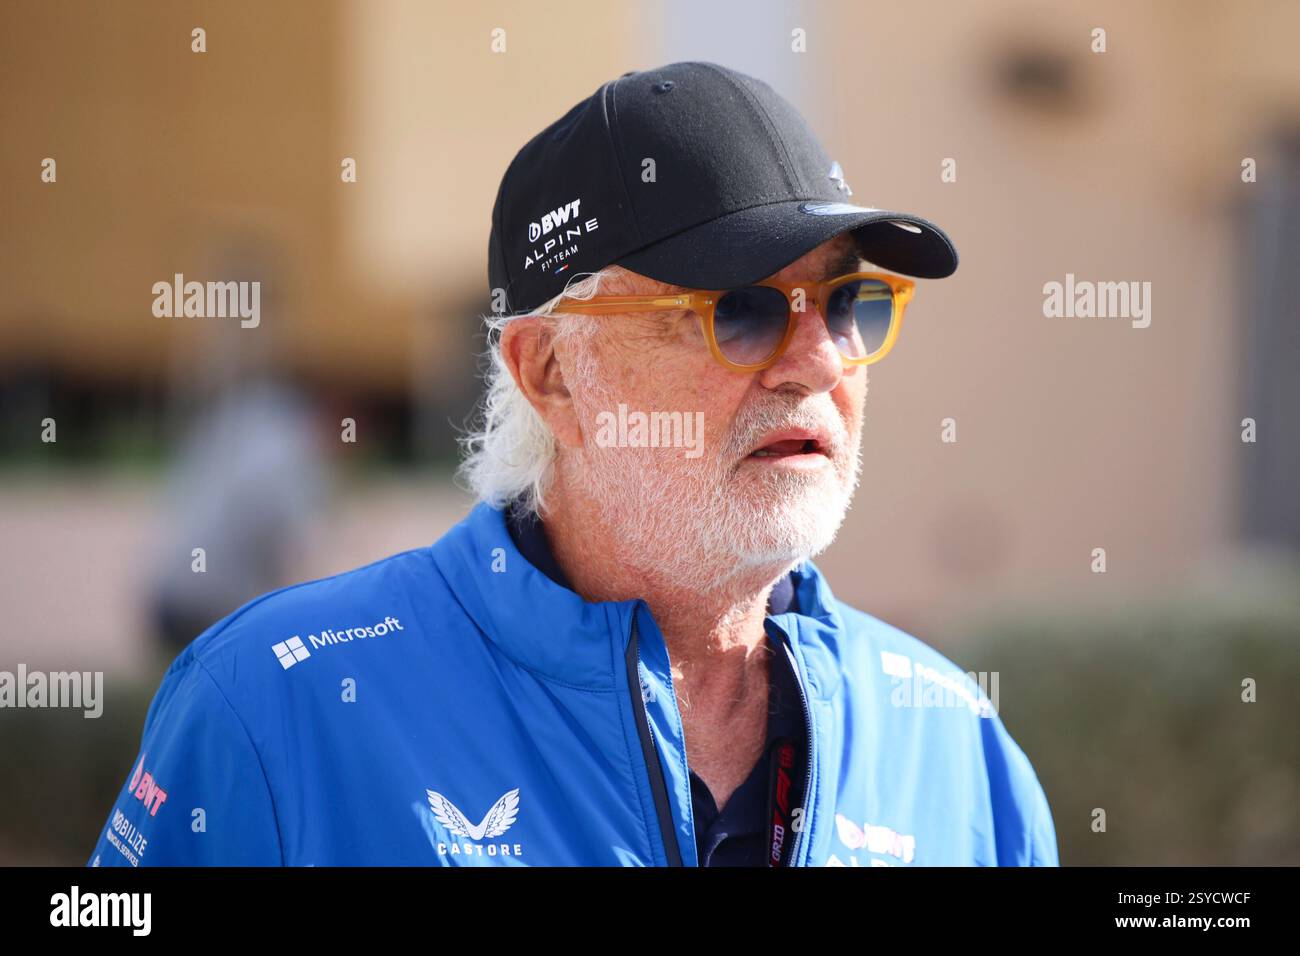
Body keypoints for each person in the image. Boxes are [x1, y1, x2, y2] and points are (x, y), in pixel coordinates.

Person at [87, 61, 1058, 866]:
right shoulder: (272, 710)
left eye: (847, 303)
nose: (818, 362)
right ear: (550, 372)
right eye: (740, 310)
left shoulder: (957, 747)